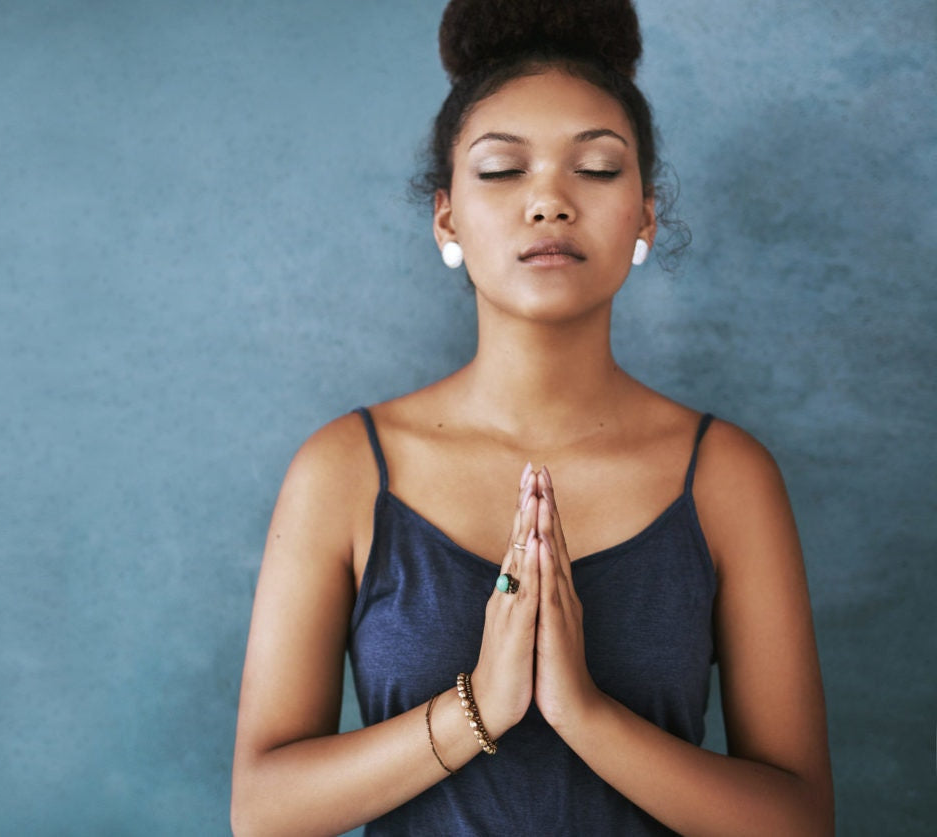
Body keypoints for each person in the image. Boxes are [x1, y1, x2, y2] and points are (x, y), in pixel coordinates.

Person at [231, 0, 834, 833]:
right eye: (502, 170)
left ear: (645, 216)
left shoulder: (728, 475)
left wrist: (582, 711)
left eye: (595, 168)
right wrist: (481, 705)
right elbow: (263, 809)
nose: (549, 202)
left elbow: (798, 820)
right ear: (446, 214)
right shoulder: (345, 468)